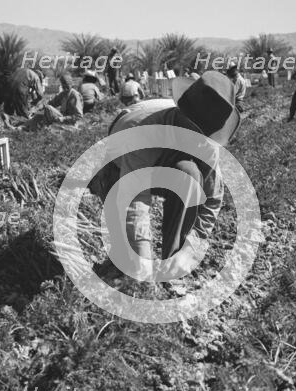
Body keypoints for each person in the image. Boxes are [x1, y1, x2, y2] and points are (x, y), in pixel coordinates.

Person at [92, 71, 241, 282]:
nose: (196, 139)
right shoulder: (142, 134)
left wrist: (193, 245)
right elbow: (135, 203)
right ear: (181, 116)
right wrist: (142, 262)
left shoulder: (207, 143)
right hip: (120, 159)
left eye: (201, 135)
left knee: (189, 176)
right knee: (124, 237)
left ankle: (173, 259)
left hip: (164, 157)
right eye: (192, 131)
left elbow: (213, 198)